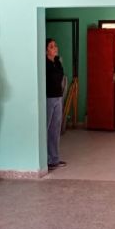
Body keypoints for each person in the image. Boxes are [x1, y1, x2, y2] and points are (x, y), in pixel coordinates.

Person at [45, 38, 67, 170]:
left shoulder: (57, 61)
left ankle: (54, 159)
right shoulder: (44, 63)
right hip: (48, 98)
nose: (55, 48)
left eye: (55, 46)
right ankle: (45, 160)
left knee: (55, 130)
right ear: (46, 50)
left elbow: (60, 77)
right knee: (45, 129)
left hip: (58, 97)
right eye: (52, 46)